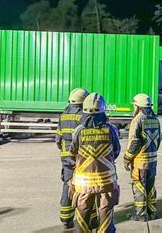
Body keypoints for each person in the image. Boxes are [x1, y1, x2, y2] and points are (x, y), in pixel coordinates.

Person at [70, 93, 120, 232]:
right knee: (106, 213)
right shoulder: (111, 130)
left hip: (83, 183)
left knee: (82, 214)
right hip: (106, 182)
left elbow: (73, 151)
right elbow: (116, 151)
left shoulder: (78, 131)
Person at [123, 93, 161, 222]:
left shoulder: (138, 119)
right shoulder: (155, 119)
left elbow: (134, 142)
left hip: (140, 161)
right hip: (153, 161)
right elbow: (158, 141)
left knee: (139, 186)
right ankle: (152, 212)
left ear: (138, 106)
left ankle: (140, 214)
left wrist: (127, 158)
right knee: (150, 187)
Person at [55, 88, 89, 229]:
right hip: (80, 158)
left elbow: (58, 139)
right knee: (85, 188)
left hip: (66, 159)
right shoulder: (83, 116)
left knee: (67, 186)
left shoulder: (63, 116)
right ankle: (86, 218)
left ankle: (66, 219)